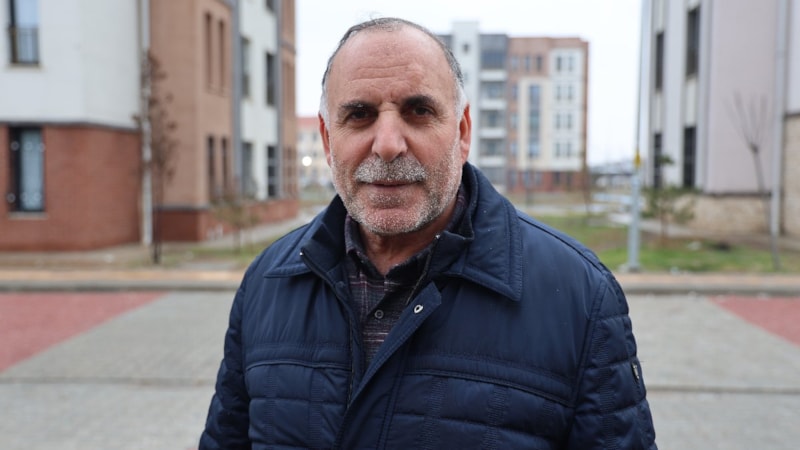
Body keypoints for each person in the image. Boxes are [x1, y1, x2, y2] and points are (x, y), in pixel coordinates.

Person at [200, 17, 657, 449]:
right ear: (326, 139)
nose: (388, 145)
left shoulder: (580, 298)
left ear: (462, 132)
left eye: (418, 111)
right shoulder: (266, 284)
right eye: (359, 114)